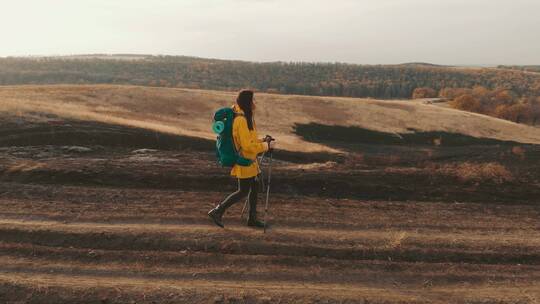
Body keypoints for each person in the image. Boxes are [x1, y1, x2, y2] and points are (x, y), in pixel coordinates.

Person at [208, 90, 275, 228]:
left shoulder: (245, 117)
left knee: (254, 187)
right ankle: (217, 211)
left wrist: (263, 140)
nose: (255, 103)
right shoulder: (241, 120)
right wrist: (266, 146)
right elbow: (246, 146)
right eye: (253, 100)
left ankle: (252, 219)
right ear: (247, 102)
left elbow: (249, 140)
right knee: (243, 191)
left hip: (250, 161)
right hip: (245, 161)